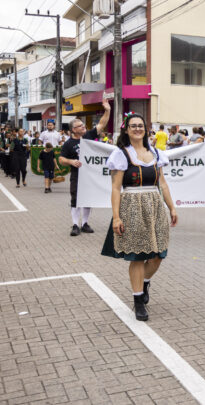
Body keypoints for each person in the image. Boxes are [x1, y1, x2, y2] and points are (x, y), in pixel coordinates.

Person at [101, 114, 178, 321]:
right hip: (132, 205)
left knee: (157, 255)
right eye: (133, 126)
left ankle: (143, 283)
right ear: (126, 130)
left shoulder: (155, 152)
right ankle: (138, 301)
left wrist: (172, 207)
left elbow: (162, 184)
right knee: (137, 255)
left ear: (146, 129)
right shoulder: (121, 154)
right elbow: (116, 188)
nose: (137, 129)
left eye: (140, 126)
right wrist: (116, 217)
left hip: (154, 205)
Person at [58, 95, 112, 236]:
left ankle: (85, 223)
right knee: (75, 199)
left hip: (90, 175)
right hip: (77, 175)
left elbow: (101, 124)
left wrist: (107, 110)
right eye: (80, 126)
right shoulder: (68, 143)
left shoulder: (88, 136)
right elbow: (61, 159)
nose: (84, 127)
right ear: (74, 130)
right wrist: (71, 162)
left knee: (88, 198)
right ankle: (75, 225)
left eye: (83, 125)